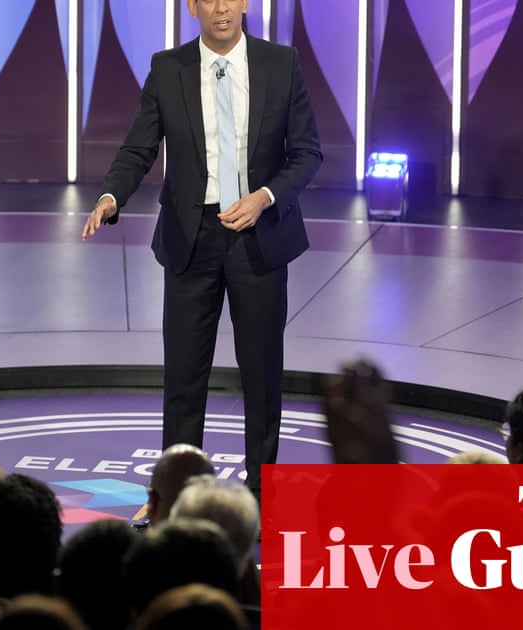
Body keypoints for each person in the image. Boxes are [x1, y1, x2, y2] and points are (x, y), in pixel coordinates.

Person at [82, 0, 322, 499]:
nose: (222, 8)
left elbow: (306, 153)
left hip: (259, 236)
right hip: (190, 239)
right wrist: (111, 196)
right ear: (192, 7)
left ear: (246, 3)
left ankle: (262, 497)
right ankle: (175, 498)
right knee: (183, 379)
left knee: (262, 377)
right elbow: (138, 148)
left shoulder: (282, 63)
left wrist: (264, 196)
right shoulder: (168, 68)